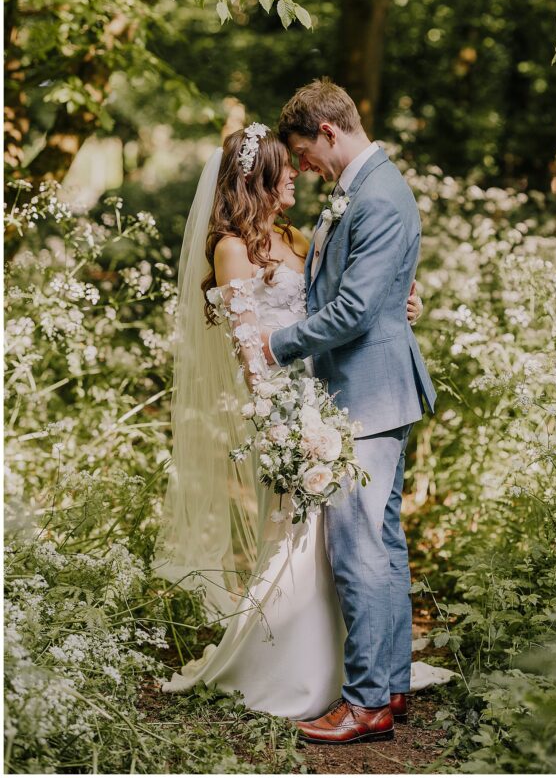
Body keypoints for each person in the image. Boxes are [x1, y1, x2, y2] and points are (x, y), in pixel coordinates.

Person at [152, 116, 446, 730]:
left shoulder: (296, 235)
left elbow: (350, 297)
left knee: (359, 545)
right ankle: (334, 677)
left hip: (340, 399)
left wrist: (403, 300)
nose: (297, 178)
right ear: (259, 179)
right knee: (330, 545)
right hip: (294, 409)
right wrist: (287, 422)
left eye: (299, 164)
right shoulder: (233, 249)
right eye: (286, 172)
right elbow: (248, 353)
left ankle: (368, 686)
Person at [263, 77, 437, 744]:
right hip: (363, 386)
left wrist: (277, 343)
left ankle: (365, 704)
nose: (303, 167)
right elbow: (358, 289)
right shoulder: (358, 189)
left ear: (328, 132)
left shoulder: (379, 195)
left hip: (367, 391)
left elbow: (357, 309)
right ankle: (388, 686)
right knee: (382, 548)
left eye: (305, 152)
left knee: (359, 552)